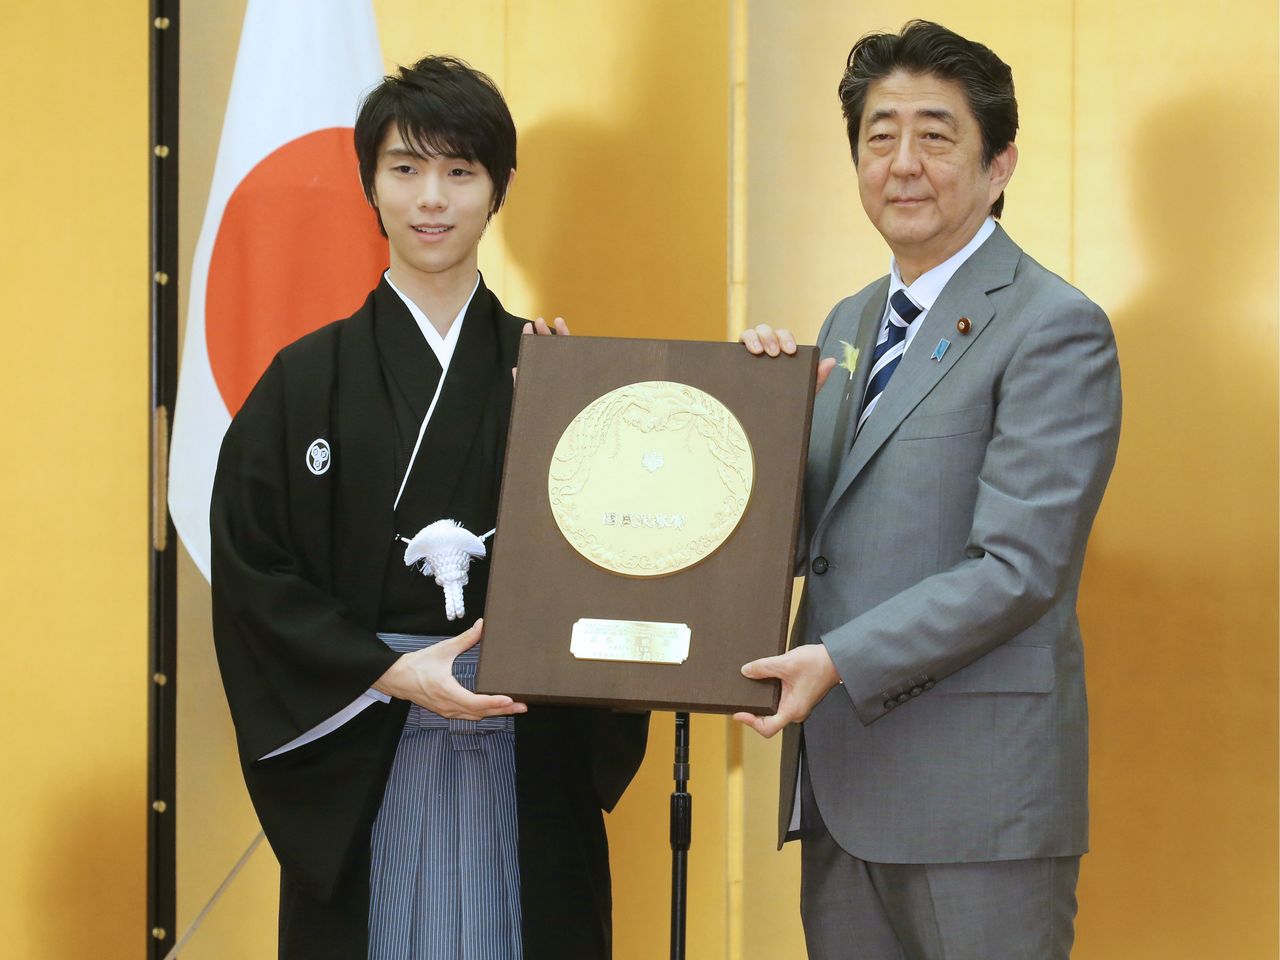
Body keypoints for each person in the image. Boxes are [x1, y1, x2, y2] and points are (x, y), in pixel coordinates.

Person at [210, 55, 648, 959]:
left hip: (524, 744)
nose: (431, 199)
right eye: (405, 169)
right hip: (367, 737)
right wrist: (393, 672)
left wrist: (575, 417)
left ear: (501, 188)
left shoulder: (554, 373)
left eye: (460, 170)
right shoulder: (304, 382)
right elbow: (256, 576)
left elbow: (622, 557)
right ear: (369, 184)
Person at [737, 21, 1121, 959]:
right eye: (879, 136)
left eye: (936, 135)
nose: (902, 163)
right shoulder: (848, 321)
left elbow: (1019, 569)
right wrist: (752, 421)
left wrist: (836, 660)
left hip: (975, 804)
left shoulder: (1052, 327)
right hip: (842, 795)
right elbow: (816, 535)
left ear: (999, 164)